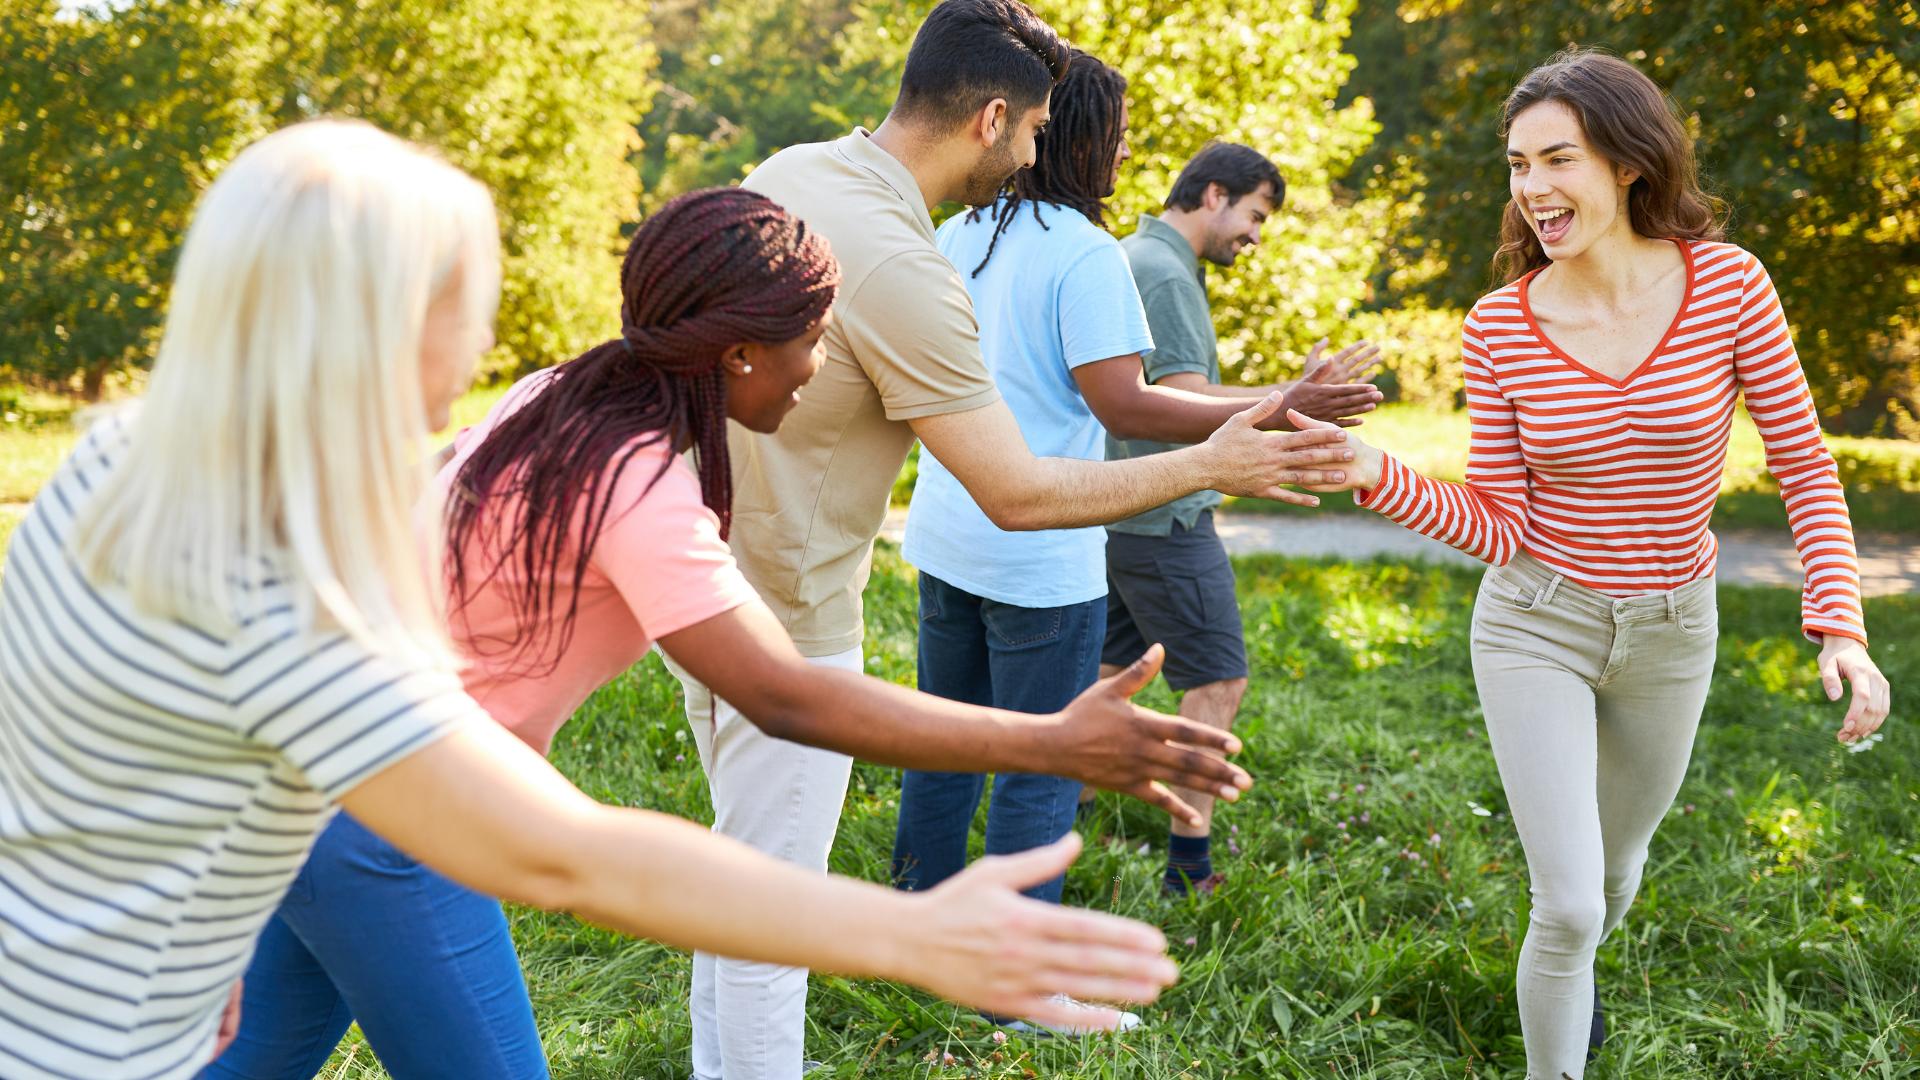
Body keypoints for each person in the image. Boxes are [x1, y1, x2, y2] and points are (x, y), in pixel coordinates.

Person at [0, 119, 1188, 1080]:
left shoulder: (123, 461)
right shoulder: (305, 611)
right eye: (463, 296)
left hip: (178, 944)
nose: (473, 337)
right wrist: (922, 921)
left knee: (256, 1056)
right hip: (371, 853)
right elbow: (581, 848)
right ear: (379, 325)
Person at [670, 0, 1377, 1071]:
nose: (1044, 150)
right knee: (772, 921)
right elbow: (1021, 490)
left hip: (704, 583)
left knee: (742, 887)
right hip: (794, 624)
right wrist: (1224, 456)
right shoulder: (911, 263)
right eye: (1037, 128)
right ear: (992, 118)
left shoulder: (795, 170)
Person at [1291, 51, 1892, 1080]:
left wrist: (1842, 624)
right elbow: (1497, 525)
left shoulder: (1729, 285)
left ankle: (1578, 979)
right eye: (1517, 164)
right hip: (1538, 620)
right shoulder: (1500, 327)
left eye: (1555, 158)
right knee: (1565, 903)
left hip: (1672, 629)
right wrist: (1369, 469)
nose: (1531, 188)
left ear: (1625, 162)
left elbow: (1804, 464)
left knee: (1611, 883)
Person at [1092, 142, 1381, 897]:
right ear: (1214, 194)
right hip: (1167, 517)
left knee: (1107, 673)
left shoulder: (1132, 255)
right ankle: (1188, 870)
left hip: (1123, 507)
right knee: (1219, 678)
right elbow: (1184, 396)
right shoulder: (1163, 271)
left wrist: (1293, 392)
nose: (1255, 237)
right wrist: (1296, 399)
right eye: (1253, 216)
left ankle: (1068, 815)